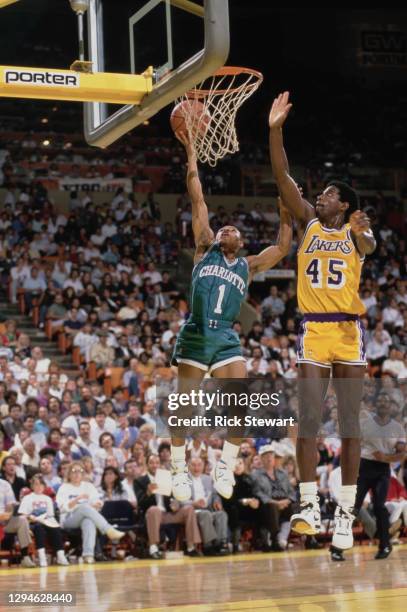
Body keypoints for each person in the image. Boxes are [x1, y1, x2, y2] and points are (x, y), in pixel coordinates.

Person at [269, 91, 376, 551]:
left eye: (330, 194)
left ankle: (346, 512)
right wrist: (275, 130)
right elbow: (282, 176)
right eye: (324, 192)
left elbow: (369, 246)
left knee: (349, 424)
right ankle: (310, 503)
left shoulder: (357, 231)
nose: (321, 195)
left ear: (345, 207)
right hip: (314, 328)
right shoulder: (309, 222)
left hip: (348, 332)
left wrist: (363, 232)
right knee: (309, 418)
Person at [170, 130, 293, 503]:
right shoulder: (203, 247)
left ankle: (225, 464)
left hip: (225, 335)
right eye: (223, 228)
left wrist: (286, 209)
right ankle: (178, 468)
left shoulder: (248, 265)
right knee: (185, 406)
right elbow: (198, 196)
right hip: (195, 332)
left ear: (241, 241)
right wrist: (191, 152)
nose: (227, 229)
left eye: (234, 229)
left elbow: (284, 246)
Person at [354, 392, 406, 559]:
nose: (383, 404)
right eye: (380, 401)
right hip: (365, 466)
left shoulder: (397, 428)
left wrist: (386, 457)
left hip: (382, 469)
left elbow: (401, 454)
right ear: (376, 406)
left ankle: (385, 545)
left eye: (387, 401)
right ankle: (339, 544)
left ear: (391, 406)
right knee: (354, 505)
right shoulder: (366, 423)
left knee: (379, 506)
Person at [134, 454, 201, 560]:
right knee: (154, 510)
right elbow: (140, 504)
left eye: (157, 463)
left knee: (188, 509)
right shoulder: (140, 481)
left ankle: (191, 547)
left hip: (168, 514)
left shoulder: (166, 478)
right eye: (151, 463)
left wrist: (175, 504)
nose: (154, 465)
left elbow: (173, 498)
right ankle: (153, 548)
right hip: (152, 515)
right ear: (147, 465)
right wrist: (148, 493)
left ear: (160, 465)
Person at [56, 461, 124, 564]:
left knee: (88, 521)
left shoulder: (88, 486)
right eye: (74, 471)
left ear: (83, 474)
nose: (77, 473)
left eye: (80, 471)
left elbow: (98, 501)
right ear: (69, 474)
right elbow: (62, 508)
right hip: (68, 519)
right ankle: (108, 529)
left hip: (86, 515)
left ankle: (88, 555)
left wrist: (97, 504)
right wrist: (77, 500)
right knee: (84, 507)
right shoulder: (64, 488)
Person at [251, 445, 298, 551]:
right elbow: (257, 492)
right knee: (272, 508)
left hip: (284, 501)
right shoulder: (256, 474)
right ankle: (275, 539)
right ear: (261, 458)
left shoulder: (282, 473)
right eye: (266, 456)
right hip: (267, 503)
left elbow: (291, 491)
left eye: (271, 455)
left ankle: (282, 539)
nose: (269, 458)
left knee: (294, 507)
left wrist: (287, 500)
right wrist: (275, 503)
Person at [18, 475, 69, 567]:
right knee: (39, 527)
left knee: (56, 529)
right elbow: (22, 514)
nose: (38, 487)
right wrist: (31, 517)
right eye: (36, 484)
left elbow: (50, 515)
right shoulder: (27, 498)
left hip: (46, 520)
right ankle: (42, 556)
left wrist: (44, 518)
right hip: (33, 522)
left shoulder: (48, 499)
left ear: (44, 486)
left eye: (41, 484)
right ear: (32, 486)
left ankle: (60, 555)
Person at [0, 477, 35, 567]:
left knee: (22, 520)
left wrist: (10, 510)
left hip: (4, 520)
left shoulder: (5, 484)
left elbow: (11, 504)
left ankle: (25, 557)